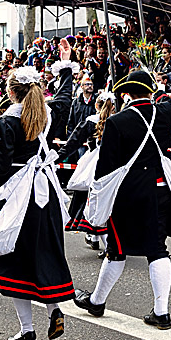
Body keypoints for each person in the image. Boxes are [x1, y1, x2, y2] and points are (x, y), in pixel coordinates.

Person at [0, 43, 77, 340]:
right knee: (46, 252)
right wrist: (65, 70)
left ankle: (27, 329)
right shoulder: (44, 118)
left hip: (18, 198)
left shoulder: (5, 122)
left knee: (13, 260)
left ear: (11, 92)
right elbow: (62, 99)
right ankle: (55, 309)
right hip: (43, 194)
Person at [73, 70, 171, 331]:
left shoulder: (116, 122)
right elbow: (168, 100)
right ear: (150, 90)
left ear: (127, 94)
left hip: (130, 194)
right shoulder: (164, 113)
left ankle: (97, 302)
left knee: (116, 249)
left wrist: (97, 195)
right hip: (160, 189)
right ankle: (161, 311)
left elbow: (106, 168)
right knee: (157, 249)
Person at [56, 89, 117, 253]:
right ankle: (96, 238)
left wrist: (56, 158)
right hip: (113, 165)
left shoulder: (91, 122)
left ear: (97, 105)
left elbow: (72, 143)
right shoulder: (118, 122)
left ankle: (105, 242)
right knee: (106, 203)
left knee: (89, 202)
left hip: (93, 166)